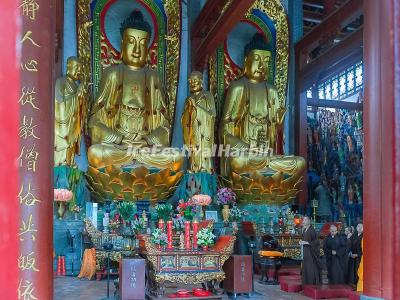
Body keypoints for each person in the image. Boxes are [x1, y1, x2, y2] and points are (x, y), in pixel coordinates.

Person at [181, 71, 216, 172]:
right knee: (193, 152)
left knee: (203, 152)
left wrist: (196, 107)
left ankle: (205, 168)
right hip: (193, 129)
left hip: (204, 131)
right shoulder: (189, 98)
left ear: (201, 81)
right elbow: (184, 118)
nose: (192, 83)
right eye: (190, 81)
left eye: (195, 80)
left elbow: (212, 114)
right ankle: (193, 168)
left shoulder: (207, 96)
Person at [299, 216, 321, 285]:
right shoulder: (304, 230)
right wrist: (301, 241)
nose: (304, 221)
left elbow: (317, 241)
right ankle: (306, 282)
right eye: (303, 220)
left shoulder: (312, 230)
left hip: (311, 252)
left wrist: (307, 243)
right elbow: (304, 239)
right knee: (305, 267)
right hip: (305, 251)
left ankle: (312, 282)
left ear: (309, 221)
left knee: (310, 267)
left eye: (305, 220)